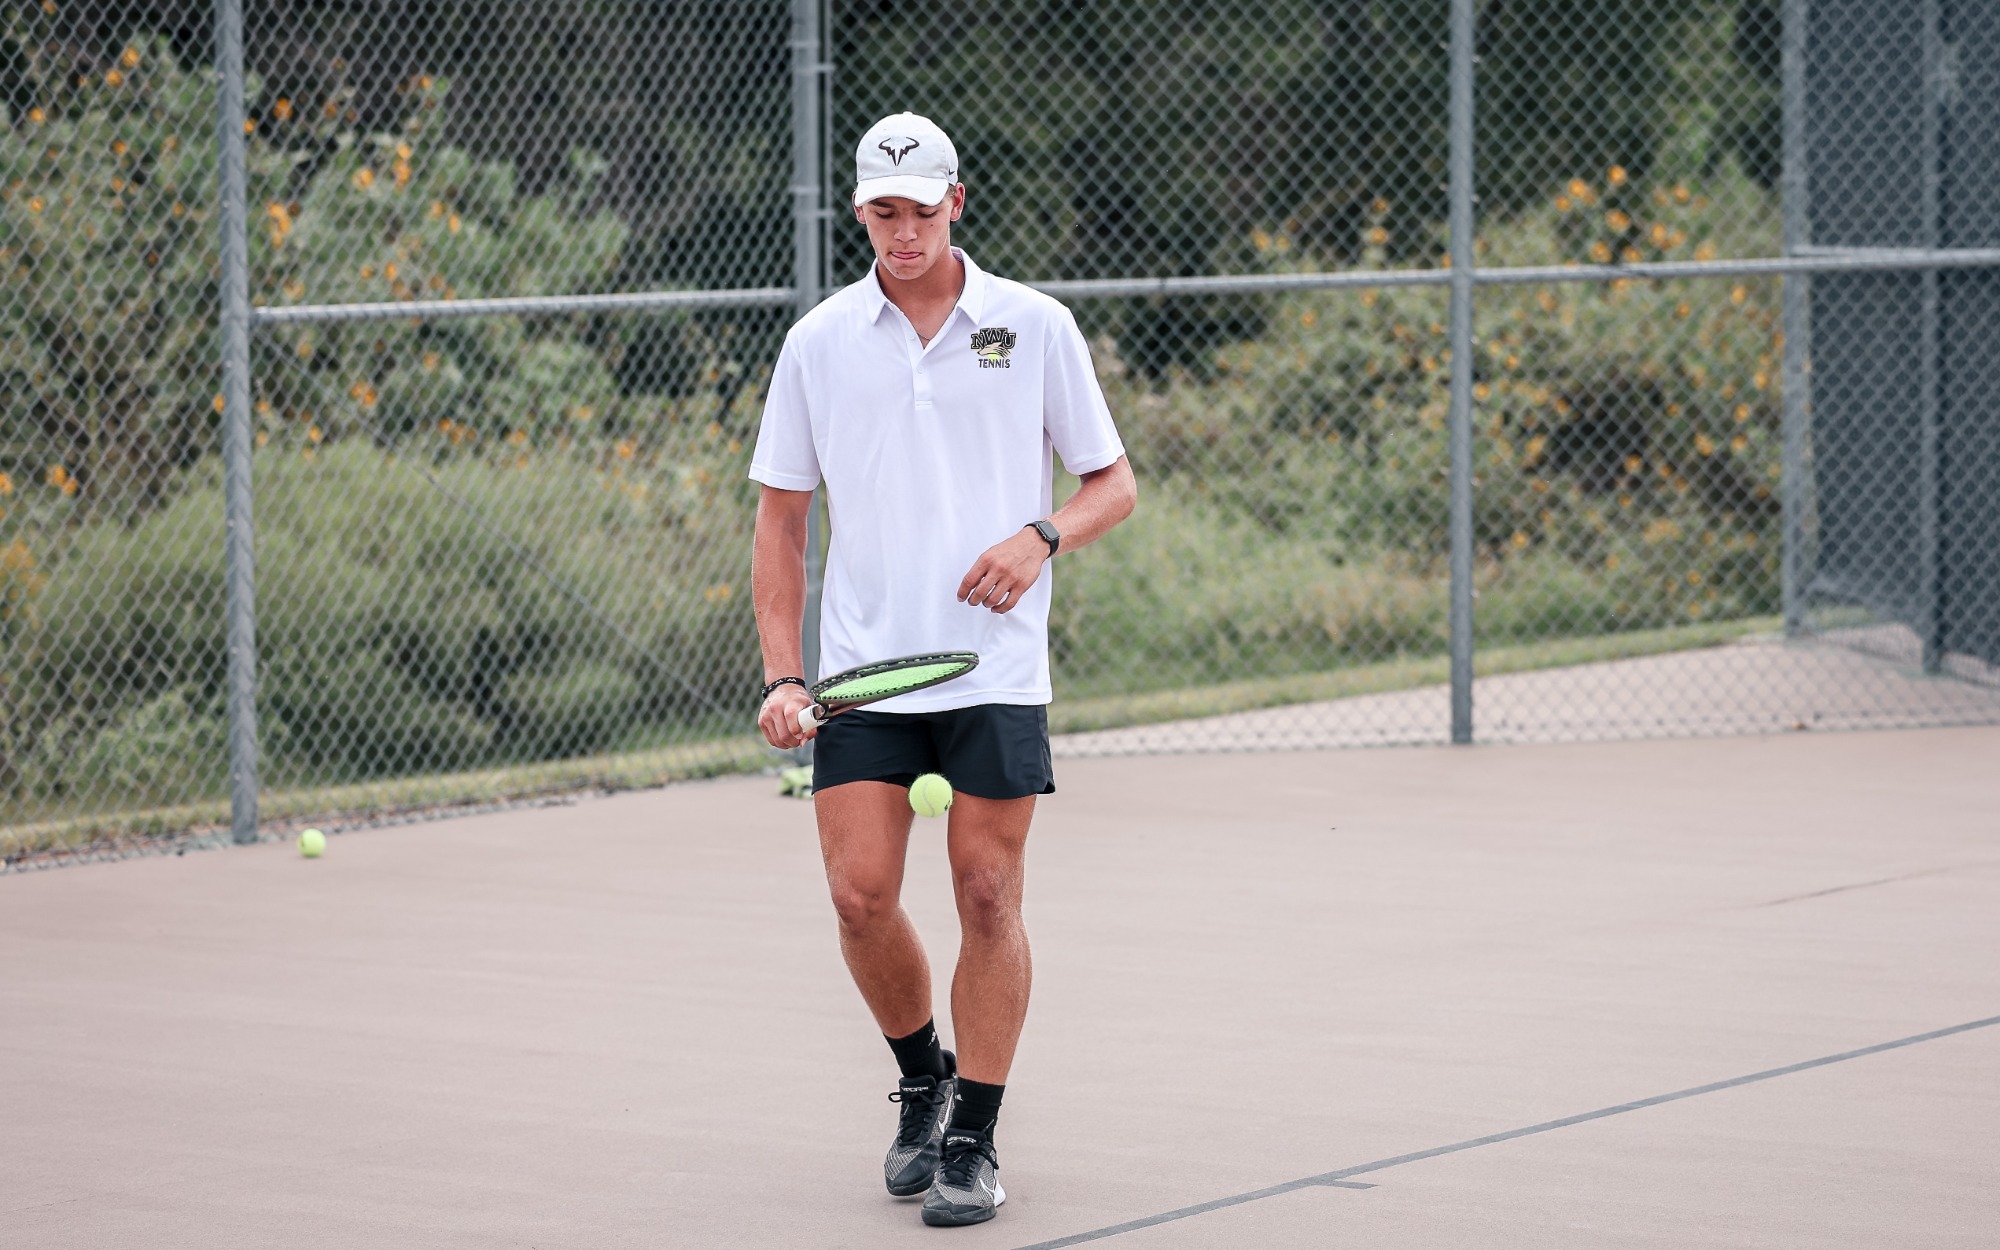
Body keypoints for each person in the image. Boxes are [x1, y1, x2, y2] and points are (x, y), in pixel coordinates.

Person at [749, 111, 1137, 1227]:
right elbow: (779, 527)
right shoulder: (818, 341)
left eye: (921, 211)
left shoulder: (1035, 325)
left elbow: (1111, 482)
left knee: (985, 890)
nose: (903, 232)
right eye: (883, 213)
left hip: (995, 671)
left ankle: (973, 1134)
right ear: (859, 210)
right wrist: (784, 675)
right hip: (863, 673)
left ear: (955, 203)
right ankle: (922, 1078)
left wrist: (1040, 536)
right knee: (858, 895)